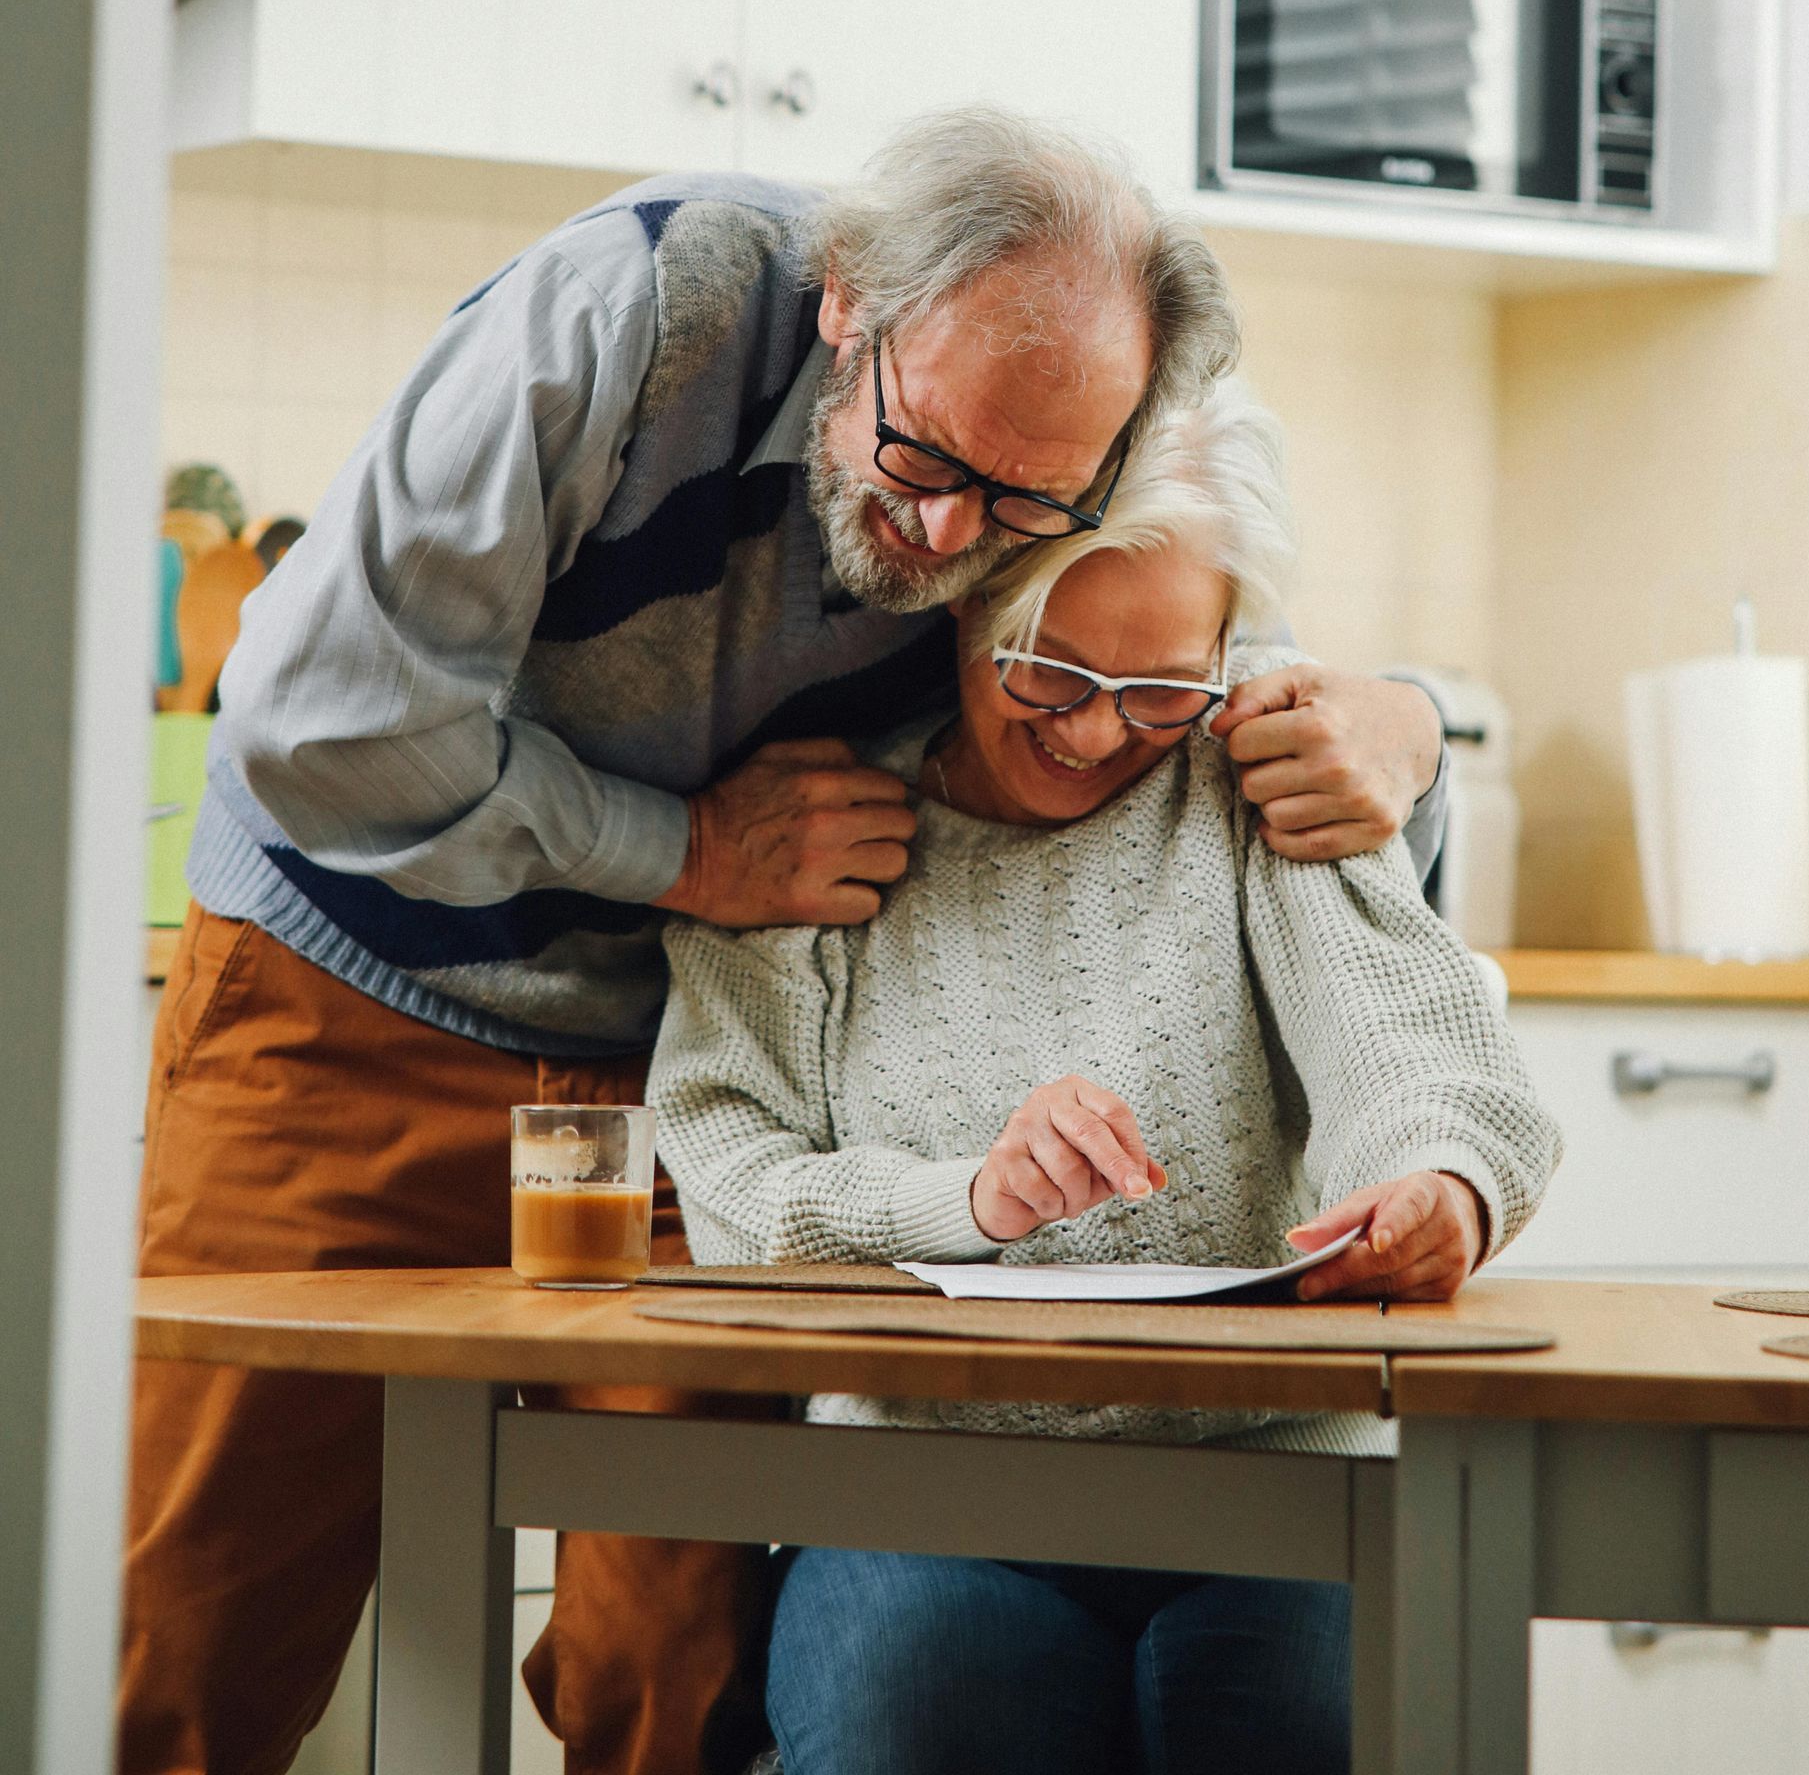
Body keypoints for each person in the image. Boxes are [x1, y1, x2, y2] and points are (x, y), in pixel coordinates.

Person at [123, 109, 1454, 1775]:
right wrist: (683, 851)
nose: (958, 545)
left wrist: (1407, 730)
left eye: (1027, 504)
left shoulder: (1068, 443)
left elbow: (1186, 642)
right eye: (925, 464)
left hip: (682, 1060)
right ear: (847, 306)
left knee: (670, 1656)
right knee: (187, 1627)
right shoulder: (629, 312)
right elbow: (319, 721)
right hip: (356, 987)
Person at [652, 383, 1561, 1775]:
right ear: (963, 603)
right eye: (1048, 671)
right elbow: (729, 1183)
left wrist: (1443, 1185)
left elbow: (1426, 1052)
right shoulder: (815, 833)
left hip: (1278, 1480)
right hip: (924, 1492)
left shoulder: (1252, 787)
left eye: (1157, 690)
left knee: (1307, 1727)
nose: (1091, 733)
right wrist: (969, 1198)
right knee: (921, 1721)